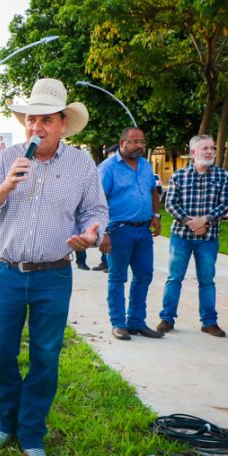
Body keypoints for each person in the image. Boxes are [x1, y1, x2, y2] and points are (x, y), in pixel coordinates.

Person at [0, 78, 108, 456]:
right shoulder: (6, 158)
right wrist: (3, 189)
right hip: (8, 274)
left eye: (46, 119)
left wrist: (92, 234)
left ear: (63, 123)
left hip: (53, 274)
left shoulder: (82, 164)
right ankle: (6, 422)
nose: (37, 127)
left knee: (46, 356)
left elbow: (96, 212)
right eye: (31, 119)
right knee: (0, 353)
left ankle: (32, 433)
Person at [157, 135, 228, 336]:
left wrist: (205, 220)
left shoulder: (223, 176)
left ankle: (209, 322)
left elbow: (225, 205)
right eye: (205, 148)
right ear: (193, 153)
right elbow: (170, 204)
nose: (210, 151)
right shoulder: (178, 176)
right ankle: (167, 318)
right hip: (181, 236)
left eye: (212, 148)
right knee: (174, 278)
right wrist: (192, 223)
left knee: (207, 280)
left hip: (208, 238)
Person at [98, 128, 164, 340]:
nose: (139, 146)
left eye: (142, 142)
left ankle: (136, 322)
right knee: (117, 277)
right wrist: (103, 232)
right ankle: (118, 323)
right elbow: (96, 201)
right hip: (118, 231)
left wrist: (156, 215)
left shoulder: (145, 165)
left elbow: (153, 190)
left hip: (143, 231)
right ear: (122, 142)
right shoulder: (108, 168)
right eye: (135, 142)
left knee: (144, 275)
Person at [79, 145, 117, 272]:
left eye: (111, 154)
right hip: (99, 211)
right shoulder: (106, 168)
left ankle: (108, 263)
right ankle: (102, 262)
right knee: (98, 236)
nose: (109, 157)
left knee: (106, 238)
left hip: (111, 213)